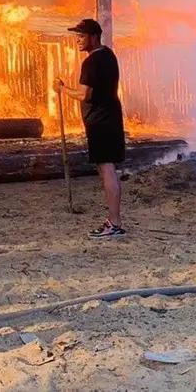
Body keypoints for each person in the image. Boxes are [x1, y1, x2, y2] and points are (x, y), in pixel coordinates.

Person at [54, 18, 126, 237]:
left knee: (107, 170)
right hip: (110, 118)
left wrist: (63, 88)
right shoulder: (109, 55)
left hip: (101, 122)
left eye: (82, 36)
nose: (78, 41)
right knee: (107, 169)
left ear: (94, 36)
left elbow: (85, 94)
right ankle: (114, 221)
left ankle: (114, 223)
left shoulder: (92, 62)